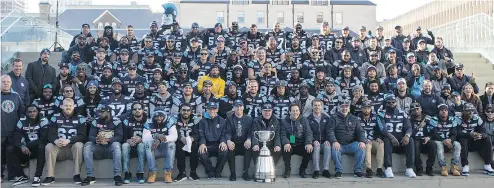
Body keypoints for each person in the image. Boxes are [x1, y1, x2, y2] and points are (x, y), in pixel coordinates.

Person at [44, 98, 86, 185]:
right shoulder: (55, 118)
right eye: (66, 105)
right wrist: (55, 140)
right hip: (59, 149)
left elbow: (82, 136)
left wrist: (69, 140)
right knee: (49, 146)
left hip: (72, 149)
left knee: (79, 145)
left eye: (70, 106)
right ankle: (50, 176)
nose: (68, 107)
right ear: (62, 106)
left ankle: (77, 175)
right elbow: (50, 134)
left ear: (74, 106)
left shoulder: (80, 118)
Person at [82, 105, 123, 186]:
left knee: (116, 145)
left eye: (102, 112)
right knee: (87, 145)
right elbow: (90, 136)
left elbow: (120, 137)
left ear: (108, 112)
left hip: (110, 149)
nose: (99, 114)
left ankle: (117, 176)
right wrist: (96, 140)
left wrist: (108, 140)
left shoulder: (116, 121)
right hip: (99, 148)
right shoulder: (95, 121)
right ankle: (90, 176)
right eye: (98, 111)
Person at [7, 104, 48, 186]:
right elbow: (16, 136)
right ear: (26, 113)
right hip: (25, 149)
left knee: (41, 146)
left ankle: (37, 176)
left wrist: (27, 145)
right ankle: (21, 176)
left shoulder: (43, 120)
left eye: (34, 111)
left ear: (38, 112)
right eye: (30, 112)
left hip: (37, 149)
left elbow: (43, 138)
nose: (32, 113)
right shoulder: (22, 121)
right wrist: (21, 146)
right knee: (10, 149)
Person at [377, 94, 416, 178]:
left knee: (411, 140)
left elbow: (409, 127)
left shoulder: (402, 113)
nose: (391, 104)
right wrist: (391, 137)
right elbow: (382, 129)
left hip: (401, 139)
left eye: (393, 102)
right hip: (389, 138)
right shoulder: (381, 114)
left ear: (396, 103)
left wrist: (407, 135)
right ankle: (388, 168)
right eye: (389, 102)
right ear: (385, 103)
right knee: (386, 140)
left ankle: (409, 168)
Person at [328, 100, 366, 178]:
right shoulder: (333, 117)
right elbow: (330, 131)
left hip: (351, 144)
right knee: (334, 150)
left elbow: (360, 131)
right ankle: (338, 171)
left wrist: (362, 141)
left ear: (349, 108)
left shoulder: (354, 118)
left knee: (361, 148)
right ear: (339, 108)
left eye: (346, 107)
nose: (344, 108)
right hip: (339, 144)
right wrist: (334, 141)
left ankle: (357, 170)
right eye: (342, 106)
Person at [457, 103, 494, 176]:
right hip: (464, 141)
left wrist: (480, 135)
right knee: (463, 140)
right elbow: (457, 133)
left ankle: (487, 165)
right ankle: (465, 166)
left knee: (487, 139)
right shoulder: (459, 119)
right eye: (468, 111)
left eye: (472, 111)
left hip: (475, 141)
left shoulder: (477, 118)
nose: (470, 113)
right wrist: (469, 134)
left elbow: (484, 130)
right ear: (463, 111)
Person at [143, 110, 178, 183]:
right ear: (153, 117)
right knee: (147, 144)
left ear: (164, 117)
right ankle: (152, 172)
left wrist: (160, 139)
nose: (159, 118)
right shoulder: (148, 122)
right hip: (154, 149)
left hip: (166, 149)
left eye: (161, 116)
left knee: (171, 144)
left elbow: (174, 136)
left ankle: (168, 172)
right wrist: (155, 136)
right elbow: (144, 138)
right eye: (156, 116)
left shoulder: (169, 121)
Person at [280, 103, 313, 178]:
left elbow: (308, 132)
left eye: (297, 110)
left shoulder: (304, 119)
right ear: (289, 112)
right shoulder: (284, 121)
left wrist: (308, 143)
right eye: (293, 111)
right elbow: (283, 135)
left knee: (309, 151)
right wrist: (286, 143)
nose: (295, 112)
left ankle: (302, 169)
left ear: (299, 111)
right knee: (286, 150)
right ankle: (287, 170)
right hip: (290, 143)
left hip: (301, 143)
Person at [197, 101, 229, 179]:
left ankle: (218, 172)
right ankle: (210, 172)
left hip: (218, 143)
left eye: (214, 109)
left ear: (217, 110)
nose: (212, 111)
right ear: (207, 110)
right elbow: (201, 134)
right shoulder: (202, 121)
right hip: (207, 144)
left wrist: (223, 142)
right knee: (201, 153)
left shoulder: (222, 120)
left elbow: (224, 133)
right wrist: (202, 143)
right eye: (210, 109)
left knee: (225, 151)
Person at [1, 75, 24, 180]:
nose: (6, 83)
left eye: (8, 81)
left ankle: (12, 176)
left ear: (11, 83)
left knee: (11, 153)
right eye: (3, 81)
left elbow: (21, 113)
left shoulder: (16, 96)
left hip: (13, 132)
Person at [428, 103, 461, 176]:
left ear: (448, 111)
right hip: (439, 140)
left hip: (449, 140)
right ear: (438, 111)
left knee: (457, 145)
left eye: (445, 110)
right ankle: (443, 167)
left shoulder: (452, 119)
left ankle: (454, 167)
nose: (444, 111)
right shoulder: (434, 119)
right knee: (439, 145)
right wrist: (443, 140)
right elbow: (434, 134)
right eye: (442, 110)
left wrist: (450, 140)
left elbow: (455, 133)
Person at [224, 100, 254, 181]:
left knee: (248, 148)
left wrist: (248, 139)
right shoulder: (229, 119)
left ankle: (245, 172)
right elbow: (228, 132)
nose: (239, 108)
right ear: (233, 108)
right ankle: (233, 173)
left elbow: (250, 132)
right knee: (230, 149)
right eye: (237, 106)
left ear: (243, 107)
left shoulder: (249, 119)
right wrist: (228, 141)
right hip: (234, 142)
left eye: (240, 106)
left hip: (244, 142)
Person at [251, 103, 282, 179]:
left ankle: (269, 169)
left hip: (271, 144)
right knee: (254, 150)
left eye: (269, 111)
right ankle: (258, 171)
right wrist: (255, 144)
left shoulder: (276, 121)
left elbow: (277, 135)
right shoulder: (256, 121)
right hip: (260, 144)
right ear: (261, 111)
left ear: (272, 111)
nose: (267, 113)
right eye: (265, 111)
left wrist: (277, 145)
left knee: (278, 151)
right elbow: (253, 133)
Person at [121, 102, 149, 184]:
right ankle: (127, 173)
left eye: (139, 109)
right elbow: (122, 137)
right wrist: (127, 140)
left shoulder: (148, 121)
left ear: (143, 110)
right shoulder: (126, 121)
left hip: (141, 144)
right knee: (124, 145)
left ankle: (140, 172)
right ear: (132, 111)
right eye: (135, 109)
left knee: (141, 145)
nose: (137, 110)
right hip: (130, 144)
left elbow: (151, 136)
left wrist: (141, 139)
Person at [174, 103, 200, 182]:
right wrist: (180, 138)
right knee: (178, 146)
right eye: (184, 110)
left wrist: (192, 138)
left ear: (191, 111)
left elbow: (199, 133)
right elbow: (172, 132)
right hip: (180, 141)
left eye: (188, 110)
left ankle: (193, 172)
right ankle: (182, 173)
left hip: (191, 141)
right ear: (180, 111)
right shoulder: (175, 119)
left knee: (195, 145)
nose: (186, 112)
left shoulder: (195, 119)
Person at [409, 102, 437, 176]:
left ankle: (429, 168)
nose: (416, 111)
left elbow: (435, 131)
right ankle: (419, 169)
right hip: (416, 140)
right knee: (415, 144)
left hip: (426, 140)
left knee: (433, 145)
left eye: (417, 109)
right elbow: (408, 132)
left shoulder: (428, 118)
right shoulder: (409, 120)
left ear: (421, 109)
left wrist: (429, 137)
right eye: (414, 110)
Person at [359, 100, 385, 178]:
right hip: (363, 142)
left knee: (381, 144)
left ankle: (379, 169)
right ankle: (368, 169)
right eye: (364, 108)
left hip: (373, 140)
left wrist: (378, 137)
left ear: (371, 109)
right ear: (361, 109)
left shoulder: (376, 117)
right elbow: (355, 131)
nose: (366, 110)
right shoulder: (357, 118)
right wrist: (363, 139)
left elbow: (380, 129)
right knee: (367, 145)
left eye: (368, 108)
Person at [307, 99, 332, 179]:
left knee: (328, 147)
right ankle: (316, 170)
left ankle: (325, 170)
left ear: (321, 107)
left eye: (319, 105)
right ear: (312, 106)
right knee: (316, 147)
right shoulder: (308, 119)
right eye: (315, 105)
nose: (317, 107)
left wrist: (328, 140)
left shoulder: (327, 118)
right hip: (315, 142)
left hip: (324, 141)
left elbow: (329, 130)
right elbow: (308, 132)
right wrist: (313, 141)